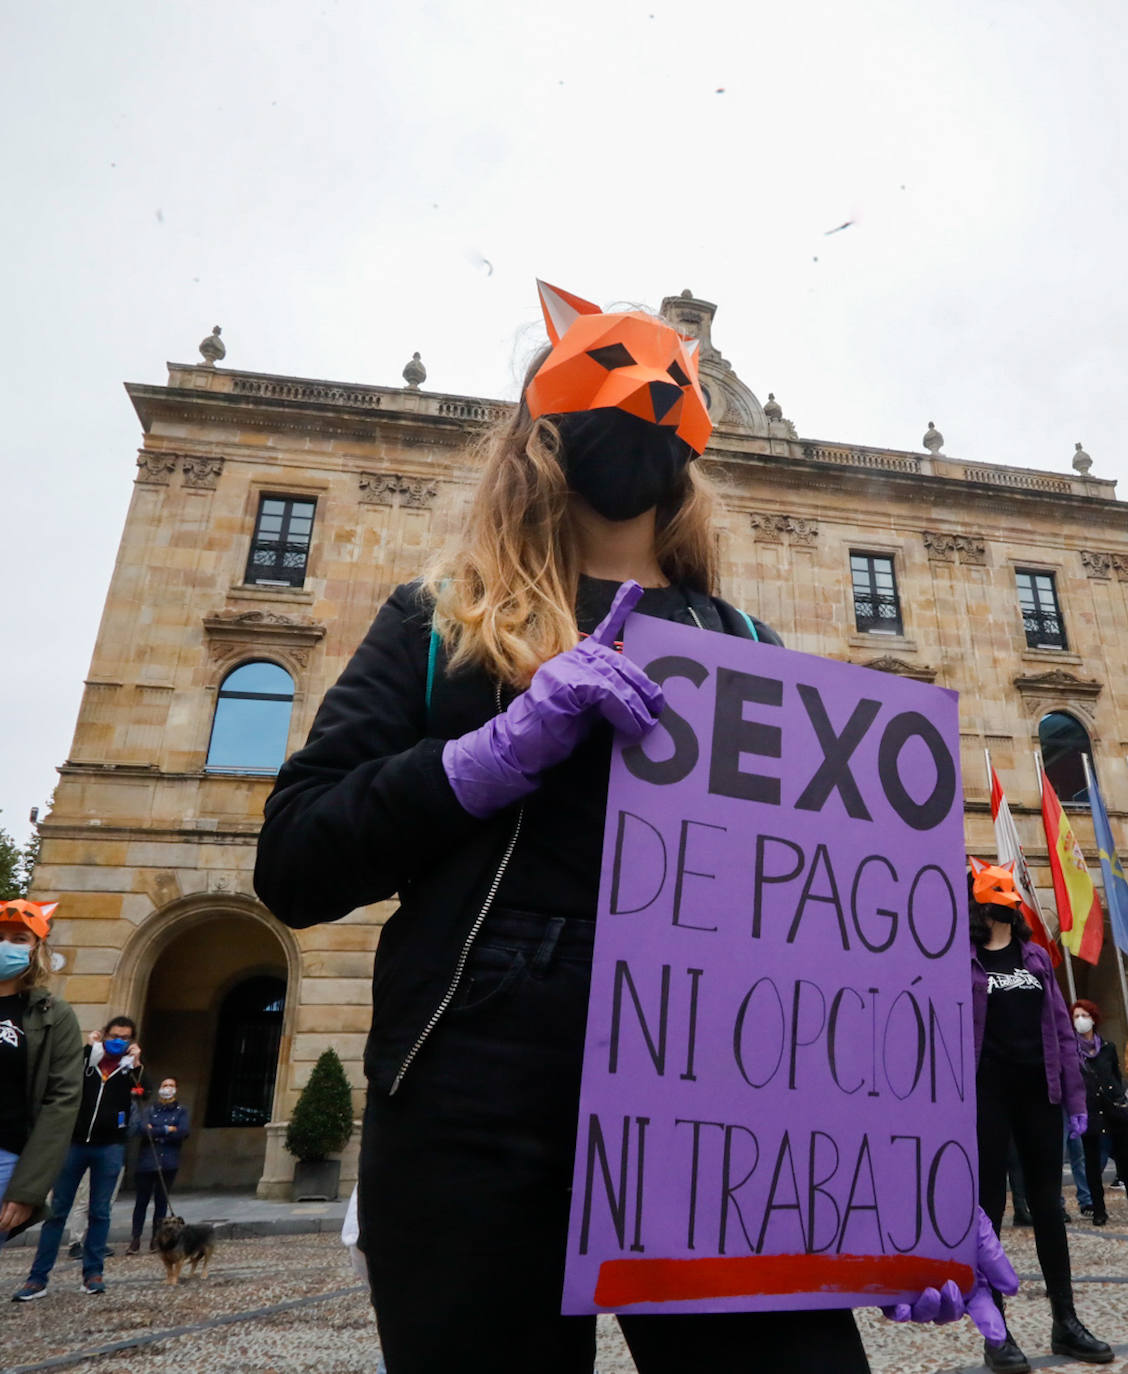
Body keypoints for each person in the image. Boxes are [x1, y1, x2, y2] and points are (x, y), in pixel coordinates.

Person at [256, 282, 1013, 1374]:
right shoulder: (441, 619)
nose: (649, 404)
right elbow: (294, 861)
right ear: (540, 431)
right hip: (477, 1087)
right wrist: (494, 754)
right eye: (620, 382)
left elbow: (832, 938)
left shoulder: (748, 643)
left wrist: (908, 1183)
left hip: (719, 1094)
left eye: (673, 390)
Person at [970, 858, 1113, 1369]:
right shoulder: (963, 962)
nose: (1005, 903)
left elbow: (1059, 1032)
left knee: (1049, 1206)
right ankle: (997, 1333)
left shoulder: (1035, 958)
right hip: (986, 1096)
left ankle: (1066, 1322)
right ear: (981, 904)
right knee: (986, 1212)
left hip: (1038, 1093)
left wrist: (1075, 1102)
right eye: (997, 895)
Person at [13, 1014, 146, 1300]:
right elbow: (61, 1079)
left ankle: (93, 1274)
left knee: (100, 1212)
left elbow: (142, 1092)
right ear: (104, 1035)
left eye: (125, 1037)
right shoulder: (86, 1060)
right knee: (57, 1211)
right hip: (73, 1144)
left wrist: (135, 1064)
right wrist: (89, 1048)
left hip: (110, 1146)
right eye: (114, 1036)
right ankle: (37, 1278)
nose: (119, 1041)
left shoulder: (130, 1069)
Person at [0, 901, 82, 1251]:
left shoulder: (54, 1015)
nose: (6, 946)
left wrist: (29, 1189)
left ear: (38, 949)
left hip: (6, 1155)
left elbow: (61, 1102)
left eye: (19, 938)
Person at [1071, 998, 1128, 1227]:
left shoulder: (1107, 1048)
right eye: (1076, 1016)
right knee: (1093, 1165)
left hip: (1114, 1112)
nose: (1080, 1020)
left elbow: (1114, 1074)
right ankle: (1098, 1210)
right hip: (1089, 1113)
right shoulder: (1072, 1052)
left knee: (1125, 1160)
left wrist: (1120, 1099)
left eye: (1084, 1015)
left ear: (1093, 1018)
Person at [128, 1076, 189, 1253]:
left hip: (168, 1161)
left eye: (171, 1085)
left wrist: (154, 1130)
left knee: (161, 1202)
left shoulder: (181, 1111)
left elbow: (183, 1131)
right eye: (164, 1085)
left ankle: (157, 1238)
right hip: (147, 1161)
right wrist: (167, 1129)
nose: (168, 1088)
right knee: (141, 1202)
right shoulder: (150, 1109)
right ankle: (136, 1238)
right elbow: (141, 1129)